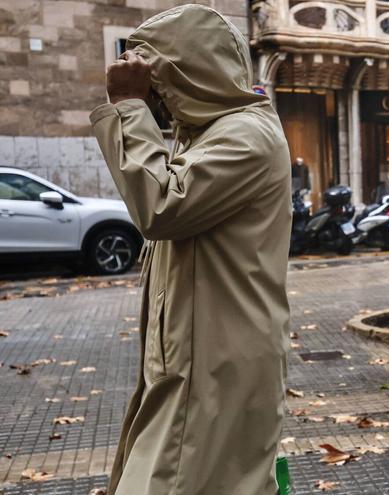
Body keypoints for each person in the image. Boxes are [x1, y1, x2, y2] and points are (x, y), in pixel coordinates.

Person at [89, 5, 291, 494]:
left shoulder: (248, 136)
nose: (156, 100)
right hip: (195, 364)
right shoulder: (209, 135)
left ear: (191, 73)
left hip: (215, 372)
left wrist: (129, 108)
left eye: (158, 85)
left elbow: (161, 207)